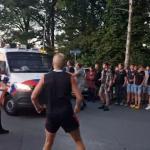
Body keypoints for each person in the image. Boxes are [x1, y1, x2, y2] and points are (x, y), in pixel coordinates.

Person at [31, 53, 85, 150]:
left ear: (52, 63)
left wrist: (38, 107)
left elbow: (33, 97)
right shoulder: (70, 77)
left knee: (48, 143)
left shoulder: (44, 77)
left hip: (51, 113)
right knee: (78, 141)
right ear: (64, 64)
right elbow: (79, 97)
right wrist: (77, 107)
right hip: (67, 113)